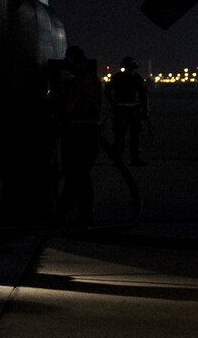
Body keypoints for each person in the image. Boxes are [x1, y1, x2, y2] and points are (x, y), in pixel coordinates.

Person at [53, 46, 104, 225]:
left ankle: (65, 212)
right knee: (82, 173)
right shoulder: (94, 80)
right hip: (91, 132)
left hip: (77, 133)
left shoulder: (77, 83)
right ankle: (83, 212)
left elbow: (68, 108)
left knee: (74, 173)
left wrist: (61, 90)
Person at [108, 55, 149, 165]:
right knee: (125, 136)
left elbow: (143, 95)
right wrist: (145, 110)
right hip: (127, 110)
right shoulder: (136, 78)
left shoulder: (120, 77)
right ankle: (129, 158)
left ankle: (123, 159)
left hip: (127, 110)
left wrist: (113, 104)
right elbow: (143, 96)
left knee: (127, 136)